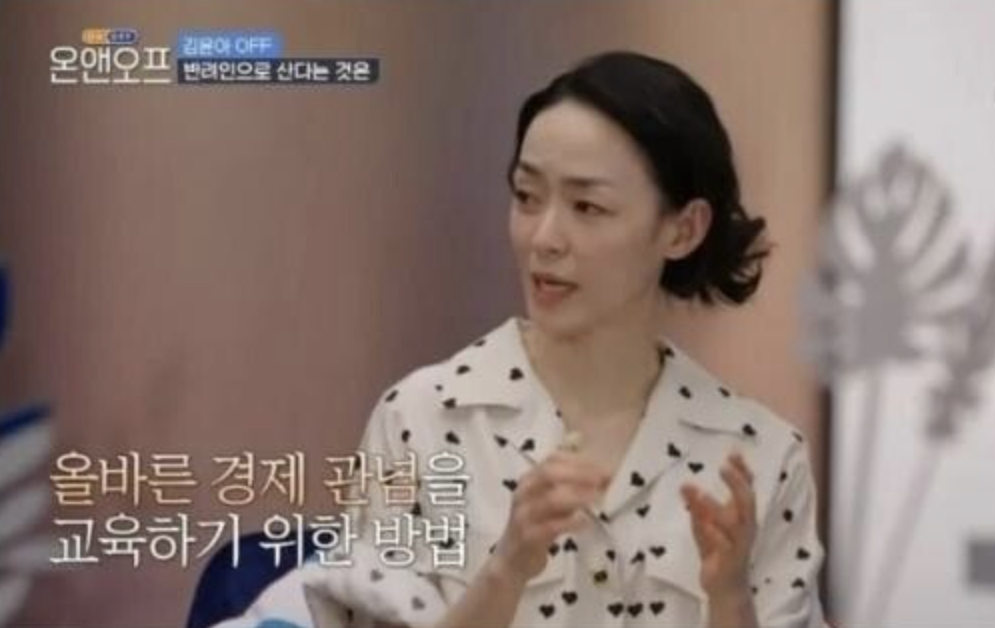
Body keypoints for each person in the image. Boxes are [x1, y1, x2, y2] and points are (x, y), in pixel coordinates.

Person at [304, 50, 827, 628]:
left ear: (683, 230)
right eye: (527, 197)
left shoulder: (761, 456)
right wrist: (506, 570)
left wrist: (730, 600)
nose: (544, 238)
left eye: (587, 207)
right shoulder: (421, 421)